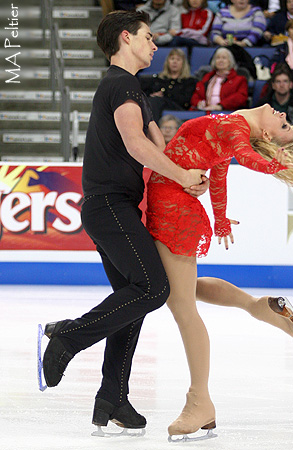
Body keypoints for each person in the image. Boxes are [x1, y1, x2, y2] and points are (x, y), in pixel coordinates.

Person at [41, 10, 206, 434]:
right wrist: (184, 176)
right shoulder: (121, 84)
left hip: (110, 207)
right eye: (149, 37)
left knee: (131, 300)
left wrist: (184, 170)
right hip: (111, 205)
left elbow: (155, 143)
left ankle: (112, 397)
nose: (156, 45)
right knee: (153, 288)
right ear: (127, 38)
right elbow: (137, 145)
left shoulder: (129, 88)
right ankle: (68, 336)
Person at [146, 104, 293, 438]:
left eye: (284, 124)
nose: (281, 115)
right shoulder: (232, 127)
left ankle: (199, 401)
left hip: (173, 209)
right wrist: (219, 218)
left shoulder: (237, 131)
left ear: (264, 134)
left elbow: (247, 157)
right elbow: (218, 173)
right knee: (180, 289)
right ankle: (258, 307)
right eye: (286, 121)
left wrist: (277, 164)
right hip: (170, 204)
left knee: (182, 306)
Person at [139, 48, 197, 121]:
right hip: (158, 105)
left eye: (178, 59)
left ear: (183, 63)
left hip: (178, 108)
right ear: (168, 61)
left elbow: (185, 100)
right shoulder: (159, 78)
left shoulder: (189, 81)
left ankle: (150, 129)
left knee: (156, 101)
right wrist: (153, 95)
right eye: (172, 59)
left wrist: (164, 94)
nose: (174, 62)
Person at [190, 47, 248, 111]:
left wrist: (220, 106)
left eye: (224, 58)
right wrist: (198, 102)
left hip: (227, 113)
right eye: (218, 58)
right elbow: (196, 94)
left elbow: (240, 97)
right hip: (205, 112)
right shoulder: (207, 77)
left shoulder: (239, 80)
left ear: (230, 61)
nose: (221, 60)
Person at [257, 63, 293, 136]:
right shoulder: (263, 104)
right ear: (273, 85)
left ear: (291, 84)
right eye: (278, 82)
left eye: (285, 81)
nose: (282, 85)